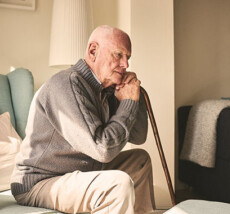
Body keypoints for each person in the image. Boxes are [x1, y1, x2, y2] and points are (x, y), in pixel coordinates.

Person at [11, 25, 155, 214]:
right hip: (41, 182)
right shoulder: (67, 84)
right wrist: (128, 102)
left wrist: (133, 96)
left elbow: (138, 135)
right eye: (118, 55)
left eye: (128, 57)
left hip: (80, 172)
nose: (125, 64)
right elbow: (103, 150)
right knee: (116, 184)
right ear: (93, 51)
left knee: (140, 160)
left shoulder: (106, 88)